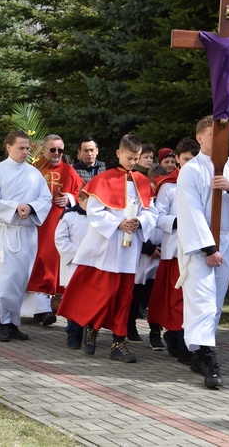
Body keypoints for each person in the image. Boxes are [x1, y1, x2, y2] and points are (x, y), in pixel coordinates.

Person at [176, 115, 229, 388]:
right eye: (214, 136)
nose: (221, 141)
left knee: (215, 300)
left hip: (228, 238)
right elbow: (191, 212)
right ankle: (207, 356)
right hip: (200, 244)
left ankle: (198, 351)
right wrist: (209, 248)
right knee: (200, 296)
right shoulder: (191, 170)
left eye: (223, 136)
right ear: (200, 138)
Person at [57, 134, 158, 363]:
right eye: (129, 157)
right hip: (108, 248)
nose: (133, 162)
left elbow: (152, 211)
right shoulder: (103, 179)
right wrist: (118, 223)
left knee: (125, 296)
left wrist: (140, 222)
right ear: (119, 154)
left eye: (136, 158)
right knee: (104, 293)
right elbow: (94, 211)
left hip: (130, 247)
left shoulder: (143, 181)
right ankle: (91, 328)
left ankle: (119, 342)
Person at [0, 131, 52, 342]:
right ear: (9, 147)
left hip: (26, 233)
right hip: (4, 232)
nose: (25, 151)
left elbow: (46, 199)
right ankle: (2, 322)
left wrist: (30, 207)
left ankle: (14, 322)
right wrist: (15, 208)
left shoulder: (34, 173)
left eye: (27, 148)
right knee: (3, 280)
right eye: (21, 147)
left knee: (20, 280)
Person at [147, 138, 199, 364]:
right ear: (177, 160)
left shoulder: (204, 184)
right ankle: (179, 338)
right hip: (175, 251)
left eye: (193, 160)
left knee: (193, 300)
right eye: (185, 159)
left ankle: (184, 338)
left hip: (198, 251)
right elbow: (157, 216)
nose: (189, 164)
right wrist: (178, 221)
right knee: (176, 299)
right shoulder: (168, 185)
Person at [23, 135, 83, 325]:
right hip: (38, 224)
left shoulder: (69, 170)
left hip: (59, 224)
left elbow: (81, 193)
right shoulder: (34, 169)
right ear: (43, 150)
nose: (57, 154)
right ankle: (39, 309)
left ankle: (48, 307)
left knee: (53, 264)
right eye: (52, 149)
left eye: (60, 150)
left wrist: (69, 199)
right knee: (39, 263)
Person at [128, 163, 166, 349]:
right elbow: (137, 222)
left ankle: (155, 331)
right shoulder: (142, 198)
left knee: (155, 295)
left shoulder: (168, 199)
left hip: (161, 254)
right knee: (135, 293)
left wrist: (160, 247)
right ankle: (130, 326)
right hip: (142, 253)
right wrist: (148, 247)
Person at [54, 190, 89, 349]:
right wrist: (79, 253)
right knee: (74, 301)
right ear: (80, 200)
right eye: (88, 201)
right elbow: (60, 239)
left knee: (89, 301)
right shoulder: (69, 216)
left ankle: (89, 333)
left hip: (92, 265)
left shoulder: (100, 217)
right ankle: (73, 332)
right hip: (73, 264)